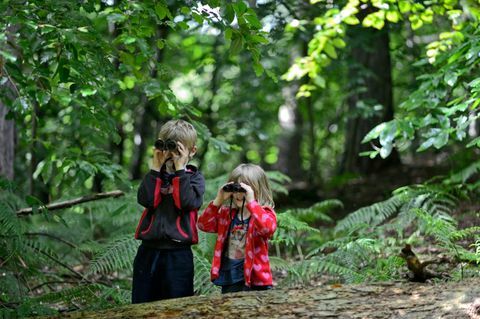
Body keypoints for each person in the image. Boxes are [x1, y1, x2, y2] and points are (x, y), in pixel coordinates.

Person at [132, 119, 205, 303]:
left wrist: (180, 170)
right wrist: (156, 168)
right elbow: (146, 200)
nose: (172, 154)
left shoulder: (195, 178)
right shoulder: (156, 175)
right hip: (148, 251)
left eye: (178, 149)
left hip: (178, 254)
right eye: (167, 147)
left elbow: (186, 203)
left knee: (177, 303)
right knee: (143, 302)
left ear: (192, 151)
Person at [197, 163, 276, 293]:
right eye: (235, 189)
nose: (238, 194)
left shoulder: (264, 213)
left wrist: (251, 203)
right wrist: (218, 200)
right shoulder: (227, 214)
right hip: (230, 276)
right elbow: (203, 224)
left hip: (255, 278)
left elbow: (268, 229)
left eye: (243, 190)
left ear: (257, 190)